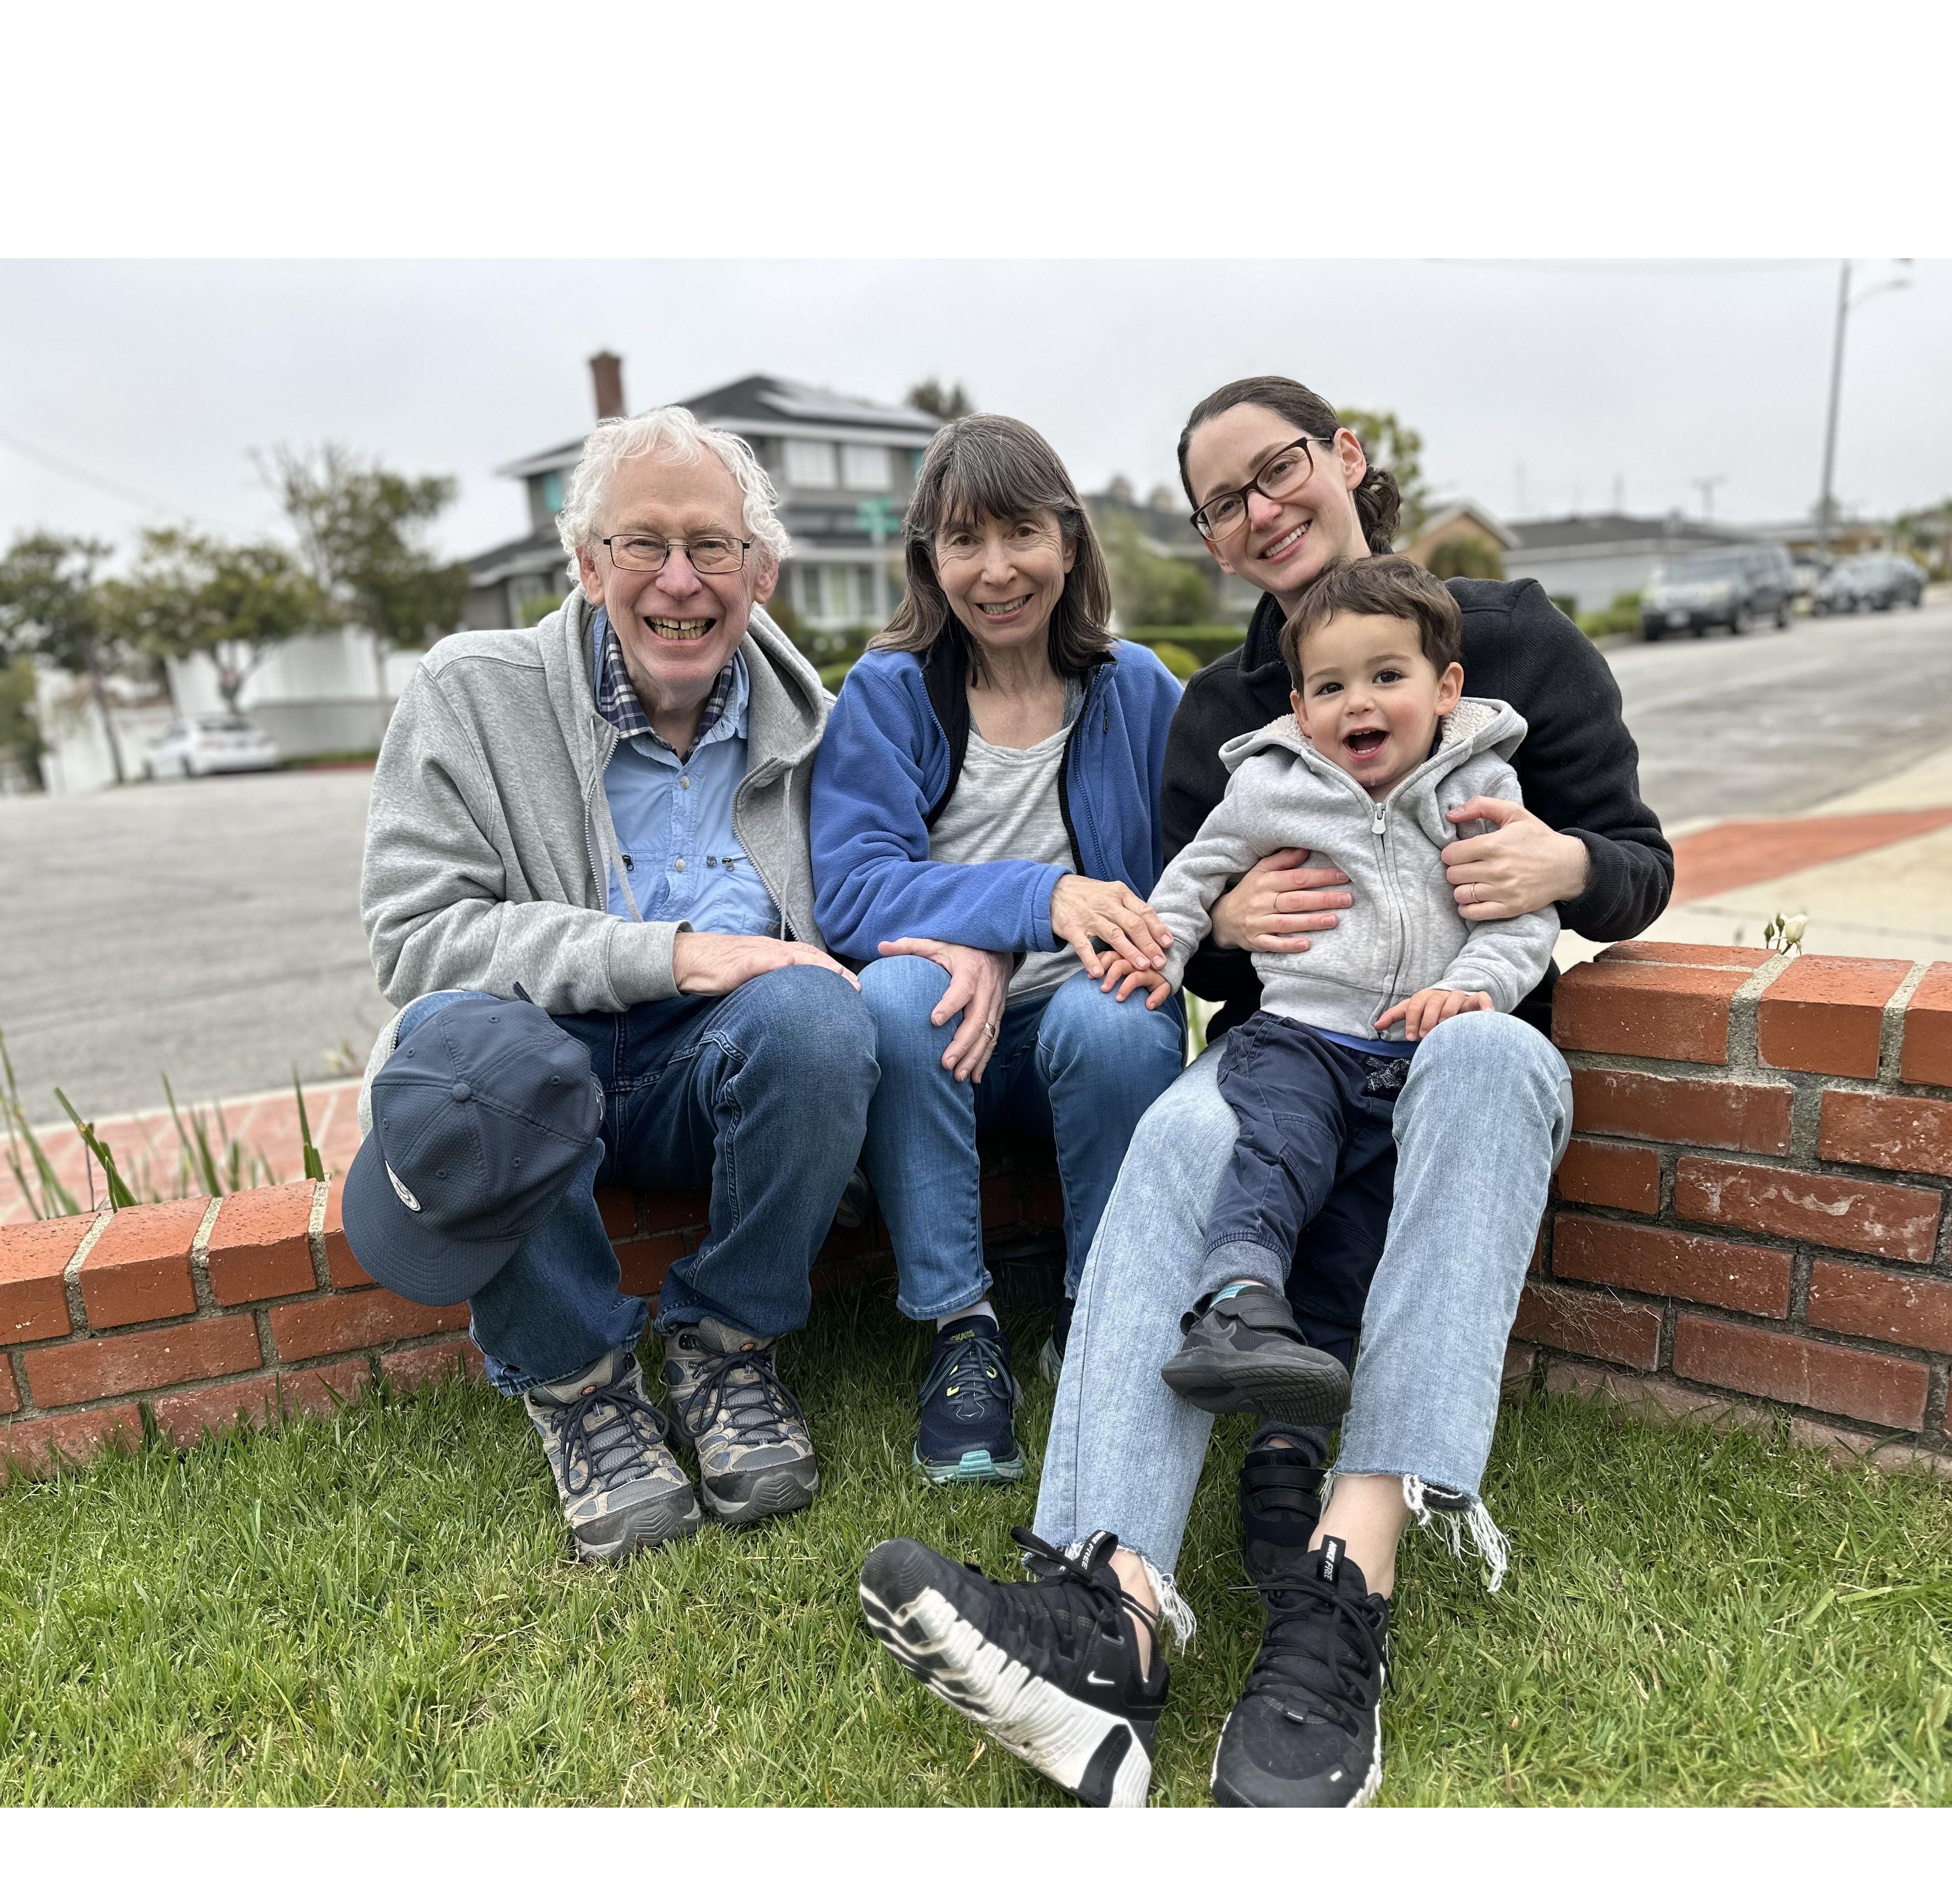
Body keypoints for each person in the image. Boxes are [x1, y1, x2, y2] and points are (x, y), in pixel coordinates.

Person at [858, 375, 1671, 1809]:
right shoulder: (1230, 714)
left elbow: (1639, 865)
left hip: (1466, 1041)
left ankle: (1339, 1590)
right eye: (1223, 501)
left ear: (1347, 458)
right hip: (1301, 1047)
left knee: (1483, 1058)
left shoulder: (1517, 645)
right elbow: (1200, 951)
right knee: (1181, 1123)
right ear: (1214, 541)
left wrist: (1564, 868)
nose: (1259, 509)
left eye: (1277, 469)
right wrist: (1224, 930)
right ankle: (1103, 1603)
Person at [357, 403, 878, 1564]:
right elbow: (415, 940)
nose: (680, 582)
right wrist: (667, 952)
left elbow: (886, 901)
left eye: (714, 548)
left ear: (763, 571)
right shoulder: (468, 694)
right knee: (463, 1043)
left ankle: (727, 1350)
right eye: (644, 544)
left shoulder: (828, 729)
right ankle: (583, 1390)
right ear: (588, 563)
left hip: (714, 1076)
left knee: (818, 1014)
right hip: (544, 1074)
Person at [812, 415, 1185, 1485]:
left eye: (1021, 532)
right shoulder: (891, 691)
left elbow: (1186, 873)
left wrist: (1026, 946)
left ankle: (1101, 1312)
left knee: (1117, 1016)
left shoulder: (1136, 688)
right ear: (929, 559)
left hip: (1089, 1020)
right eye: (963, 541)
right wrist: (1033, 905)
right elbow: (850, 890)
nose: (997, 569)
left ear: (1069, 542)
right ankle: (960, 1333)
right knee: (893, 998)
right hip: (945, 1054)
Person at [1127, 555, 1558, 1420]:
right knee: (1279, 1152)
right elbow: (1194, 872)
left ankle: (1284, 1459)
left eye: (1387, 676)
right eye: (1329, 687)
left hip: (1413, 1057)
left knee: (1351, 1241)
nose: (1357, 702)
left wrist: (1472, 990)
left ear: (1447, 688)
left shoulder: (1481, 788)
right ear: (1299, 710)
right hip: (1298, 1038)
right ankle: (1236, 1303)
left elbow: (1521, 920)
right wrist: (1163, 951)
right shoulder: (1270, 785)